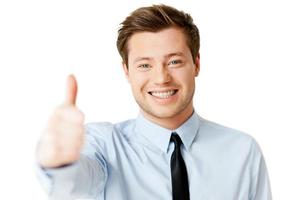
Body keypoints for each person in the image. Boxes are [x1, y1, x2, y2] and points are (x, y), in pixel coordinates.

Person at [36, 4, 272, 200]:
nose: (161, 78)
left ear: (197, 64)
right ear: (127, 71)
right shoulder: (103, 147)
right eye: (145, 65)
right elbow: (74, 184)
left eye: (174, 62)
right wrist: (59, 164)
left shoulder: (242, 151)